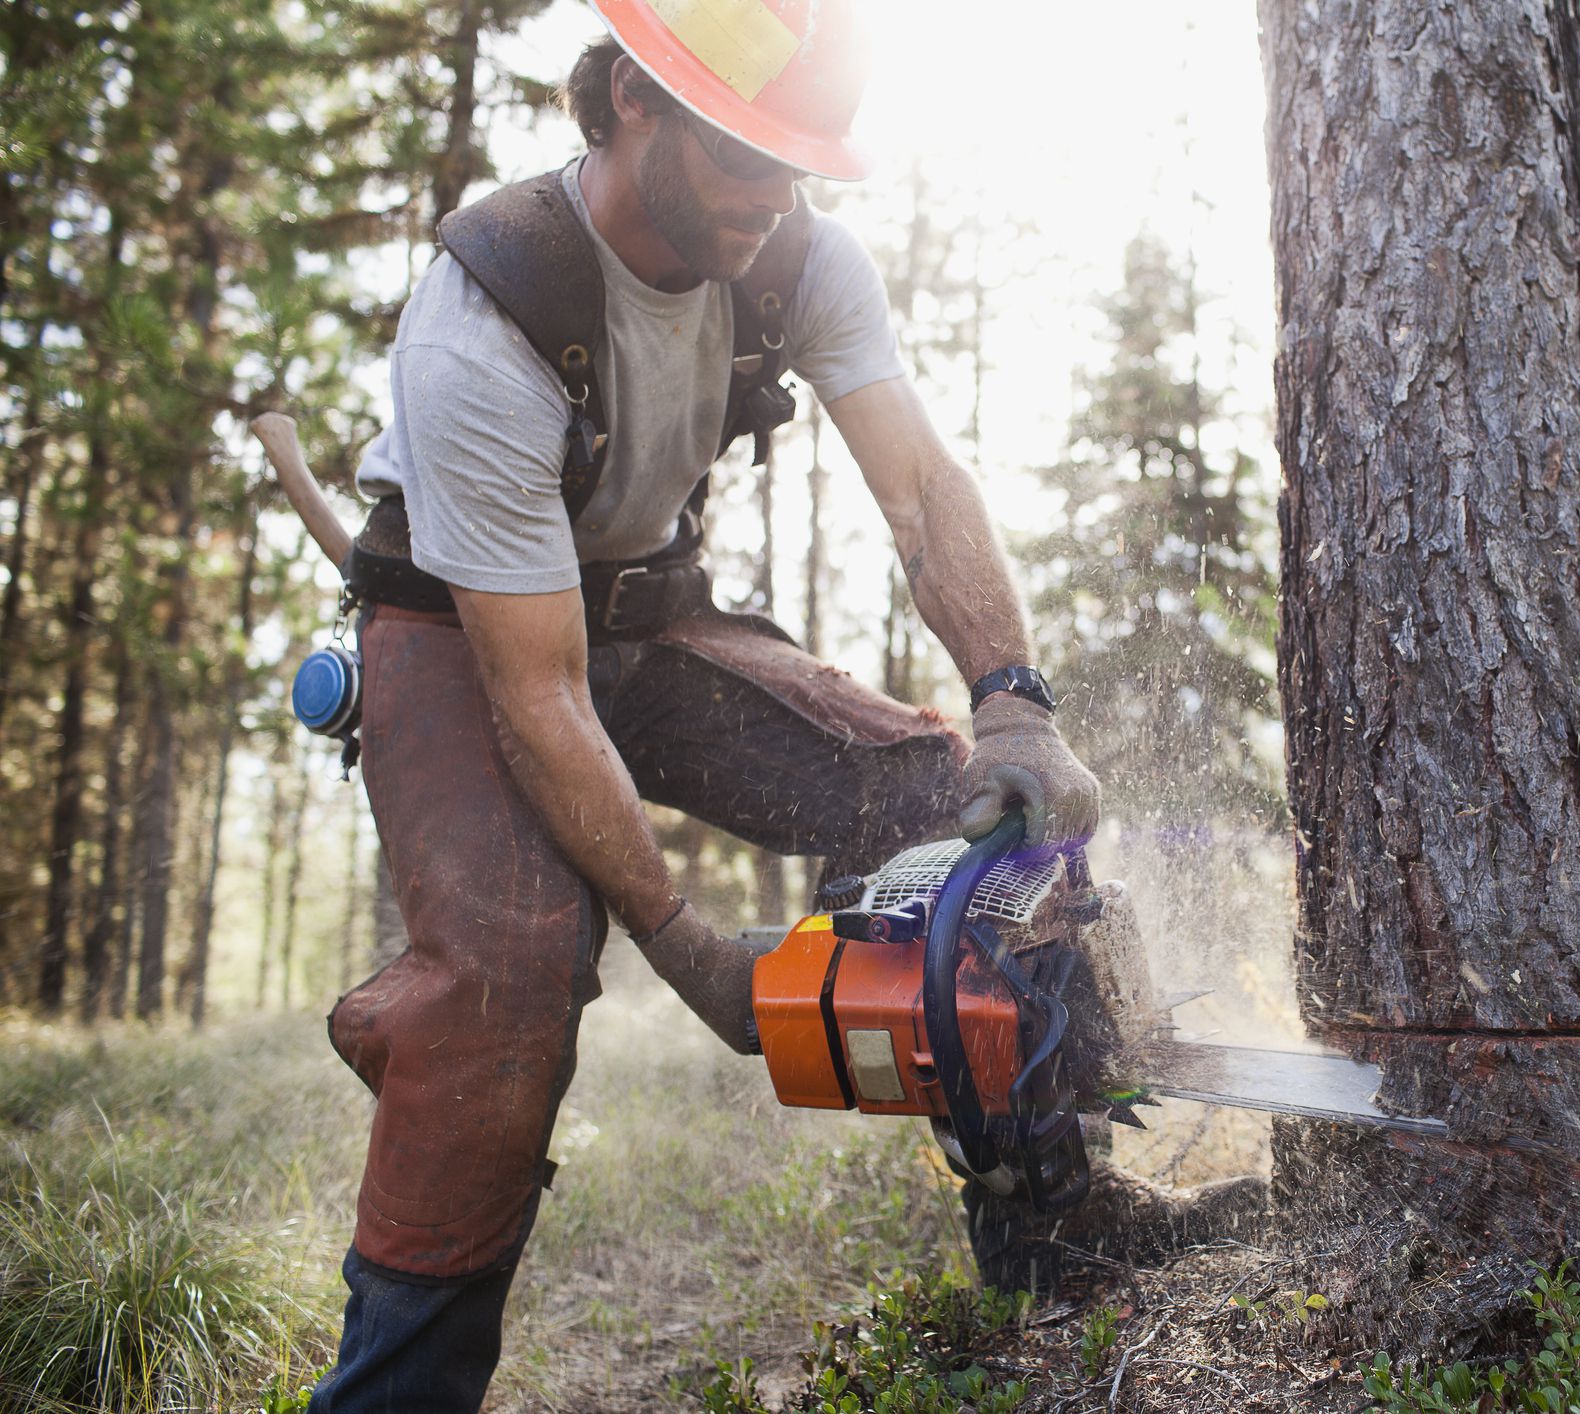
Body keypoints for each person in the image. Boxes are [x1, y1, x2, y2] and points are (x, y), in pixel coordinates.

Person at [303, 2, 1114, 1407]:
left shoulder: (795, 257)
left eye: (797, 163)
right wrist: (678, 938)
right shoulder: (486, 313)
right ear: (626, 98)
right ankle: (392, 1388)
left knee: (958, 798)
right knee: (505, 980)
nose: (770, 194)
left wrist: (1012, 701)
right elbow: (540, 689)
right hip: (459, 629)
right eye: (744, 150)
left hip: (646, 607)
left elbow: (919, 489)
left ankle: (1058, 1232)